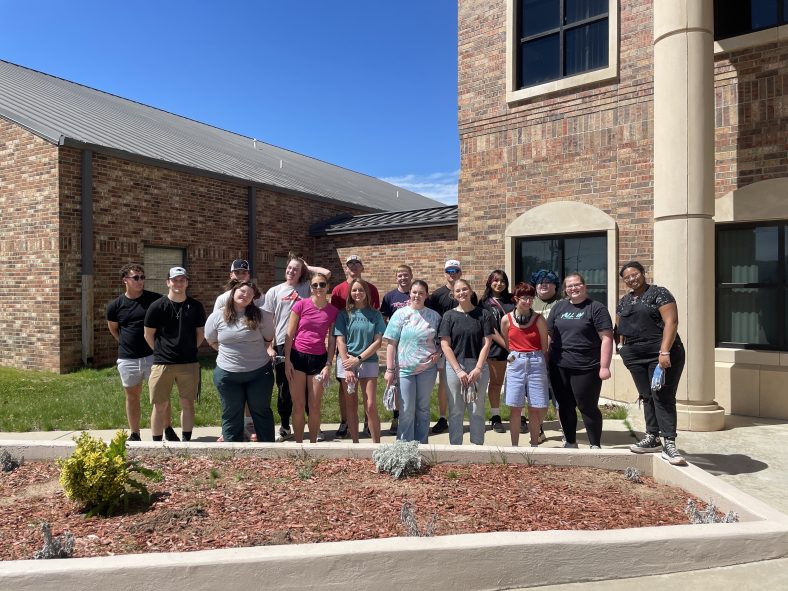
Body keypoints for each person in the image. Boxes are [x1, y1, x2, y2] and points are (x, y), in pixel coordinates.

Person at [617, 261, 687, 466]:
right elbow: (619, 326)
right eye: (627, 277)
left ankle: (670, 443)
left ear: (643, 273)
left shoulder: (659, 293)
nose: (632, 279)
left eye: (635, 274)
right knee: (647, 396)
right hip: (635, 355)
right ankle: (652, 437)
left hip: (660, 353)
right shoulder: (624, 301)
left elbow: (671, 322)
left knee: (662, 396)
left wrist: (664, 351)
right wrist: (623, 350)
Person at [263, 254, 331, 442]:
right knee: (284, 388)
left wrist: (307, 265)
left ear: (302, 273)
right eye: (289, 267)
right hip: (281, 343)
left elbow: (326, 273)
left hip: (303, 344)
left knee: (309, 390)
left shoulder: (306, 288)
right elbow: (269, 321)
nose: (291, 271)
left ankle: (313, 427)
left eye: (296, 269)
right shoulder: (274, 291)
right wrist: (269, 346)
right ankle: (285, 427)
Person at [106, 263, 177, 442]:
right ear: (125, 280)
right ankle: (135, 433)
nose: (140, 281)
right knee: (132, 396)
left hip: (153, 356)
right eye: (136, 278)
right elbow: (114, 330)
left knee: (161, 396)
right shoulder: (115, 306)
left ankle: (167, 429)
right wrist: (125, 344)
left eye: (142, 277)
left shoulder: (155, 300)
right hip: (128, 358)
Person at [547, 273, 613, 449]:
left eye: (577, 285)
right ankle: (570, 442)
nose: (573, 288)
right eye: (569, 286)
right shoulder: (559, 307)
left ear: (585, 287)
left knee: (587, 406)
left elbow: (607, 337)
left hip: (587, 367)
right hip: (559, 366)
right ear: (565, 289)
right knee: (566, 406)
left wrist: (604, 366)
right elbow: (549, 335)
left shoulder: (596, 308)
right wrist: (544, 360)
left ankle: (594, 445)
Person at [205, 281, 276, 442]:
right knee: (231, 412)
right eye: (242, 291)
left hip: (258, 374)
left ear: (252, 299)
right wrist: (229, 354)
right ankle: (233, 452)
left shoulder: (261, 315)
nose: (245, 295)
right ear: (233, 292)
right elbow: (211, 340)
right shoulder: (217, 315)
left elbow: (268, 338)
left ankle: (268, 451)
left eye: (250, 294)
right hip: (228, 375)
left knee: (260, 411)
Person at [143, 267, 206, 442]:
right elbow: (148, 334)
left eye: (182, 280)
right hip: (163, 364)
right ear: (168, 282)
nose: (179, 283)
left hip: (189, 363)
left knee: (187, 403)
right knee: (159, 405)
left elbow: (200, 334)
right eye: (175, 280)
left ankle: (186, 441)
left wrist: (189, 349)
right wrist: (160, 351)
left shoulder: (195, 306)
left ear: (187, 282)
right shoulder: (157, 306)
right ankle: (156, 443)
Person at [383, 280, 441, 443]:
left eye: (421, 293)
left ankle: (421, 444)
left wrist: (439, 353)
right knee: (407, 408)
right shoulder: (400, 314)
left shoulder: (434, 316)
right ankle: (404, 445)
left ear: (426, 295)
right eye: (414, 292)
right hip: (405, 369)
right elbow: (391, 344)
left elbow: (442, 341)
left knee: (423, 408)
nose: (417, 295)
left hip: (427, 369)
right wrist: (389, 370)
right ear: (410, 294)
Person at [213, 259, 265, 442]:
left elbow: (264, 325)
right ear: (231, 275)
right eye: (237, 272)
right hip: (229, 357)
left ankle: (249, 424)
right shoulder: (222, 299)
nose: (240, 275)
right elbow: (214, 329)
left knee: (252, 395)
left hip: (254, 355)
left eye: (244, 272)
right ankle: (229, 429)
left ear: (248, 275)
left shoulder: (258, 297)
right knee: (231, 399)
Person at [426, 259, 478, 435]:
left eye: (455, 270)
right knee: (445, 383)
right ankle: (443, 418)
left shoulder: (470, 294)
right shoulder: (437, 295)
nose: (452, 273)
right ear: (445, 273)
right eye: (449, 271)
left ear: (460, 272)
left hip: (465, 346)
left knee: (468, 384)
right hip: (444, 344)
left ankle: (470, 421)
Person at [285, 272, 338, 443]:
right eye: (314, 285)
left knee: (314, 406)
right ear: (310, 287)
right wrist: (287, 361)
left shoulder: (332, 311)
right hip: (297, 357)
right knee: (299, 405)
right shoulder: (300, 305)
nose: (318, 288)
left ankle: (313, 444)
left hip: (319, 360)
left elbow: (332, 340)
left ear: (327, 286)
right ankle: (299, 445)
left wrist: (329, 364)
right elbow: (289, 334)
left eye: (322, 284)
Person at [439, 279, 494, 446]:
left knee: (477, 409)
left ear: (470, 291)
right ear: (453, 294)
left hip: (478, 365)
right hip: (455, 366)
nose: (461, 293)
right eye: (458, 291)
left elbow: (487, 343)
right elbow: (445, 344)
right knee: (455, 409)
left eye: (464, 289)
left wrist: (478, 368)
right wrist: (458, 370)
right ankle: (456, 447)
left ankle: (477, 447)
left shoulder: (483, 314)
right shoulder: (449, 316)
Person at [331, 255, 380, 439]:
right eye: (349, 264)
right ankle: (347, 425)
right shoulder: (338, 291)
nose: (353, 266)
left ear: (362, 267)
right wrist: (346, 361)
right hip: (346, 355)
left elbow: (377, 333)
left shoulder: (372, 291)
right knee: (346, 395)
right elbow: (339, 334)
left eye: (356, 263)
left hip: (367, 357)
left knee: (369, 403)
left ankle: (369, 426)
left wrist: (358, 359)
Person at [500, 283, 549, 447]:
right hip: (516, 363)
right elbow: (508, 343)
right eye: (524, 298)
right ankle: (514, 446)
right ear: (516, 298)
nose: (528, 301)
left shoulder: (539, 319)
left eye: (530, 298)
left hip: (536, 361)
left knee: (535, 407)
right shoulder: (506, 319)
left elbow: (544, 346)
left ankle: (534, 444)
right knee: (515, 407)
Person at [379, 264, 414, 434]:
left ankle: (412, 417)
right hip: (397, 345)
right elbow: (384, 317)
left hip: (414, 347)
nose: (403, 278)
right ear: (396, 277)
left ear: (411, 276)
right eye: (400, 275)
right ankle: (397, 416)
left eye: (406, 275)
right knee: (396, 383)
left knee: (413, 382)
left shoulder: (416, 293)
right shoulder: (390, 297)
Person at [530, 268, 563, 440]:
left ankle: (566, 432)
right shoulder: (529, 303)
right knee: (537, 397)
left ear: (555, 286)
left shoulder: (563, 303)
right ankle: (538, 430)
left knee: (560, 396)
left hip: (558, 358)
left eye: (548, 281)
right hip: (534, 358)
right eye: (540, 282)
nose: (544, 284)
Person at [481, 269, 515, 434]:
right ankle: (495, 417)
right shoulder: (484, 303)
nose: (499, 283)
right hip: (497, 349)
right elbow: (491, 330)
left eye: (502, 281)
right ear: (489, 282)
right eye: (495, 280)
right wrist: (508, 346)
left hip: (518, 348)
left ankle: (519, 416)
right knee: (496, 384)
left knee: (517, 384)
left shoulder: (513, 300)